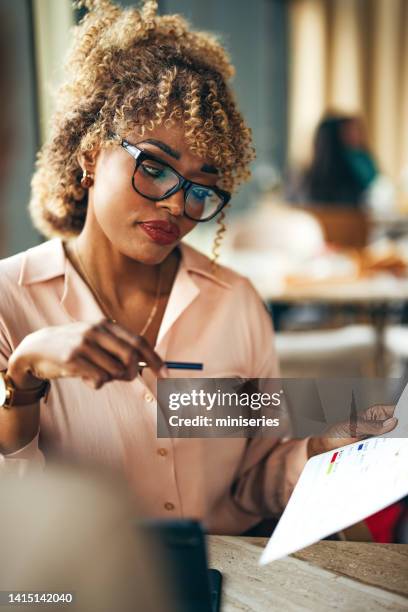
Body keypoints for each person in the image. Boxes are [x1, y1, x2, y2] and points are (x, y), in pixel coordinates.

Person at [0, 0, 396, 536]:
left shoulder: (232, 303)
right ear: (91, 154)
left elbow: (253, 481)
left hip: (225, 582)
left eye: (200, 185)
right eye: (155, 167)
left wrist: (316, 452)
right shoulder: (10, 301)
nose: (177, 204)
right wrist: (22, 383)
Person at [288, 113, 379, 207]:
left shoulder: (361, 164)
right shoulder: (302, 178)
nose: (358, 139)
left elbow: (377, 192)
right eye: (349, 133)